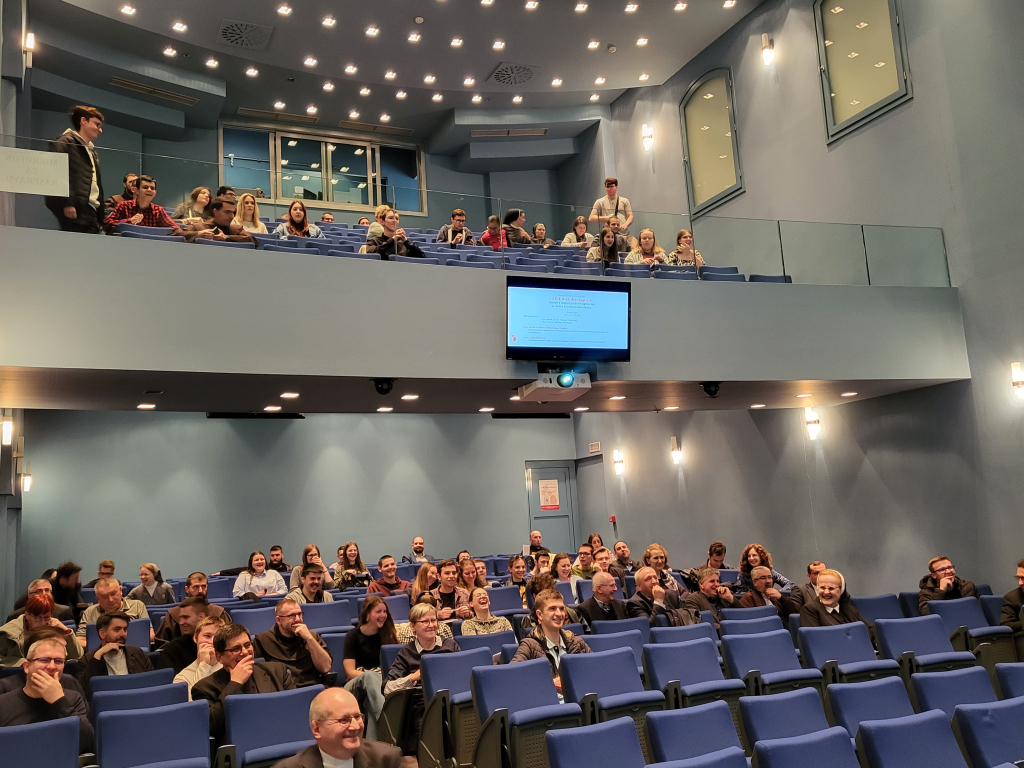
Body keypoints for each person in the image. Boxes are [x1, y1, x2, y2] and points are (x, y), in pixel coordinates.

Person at [191, 623, 296, 739]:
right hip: (240, 743)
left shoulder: (277, 671)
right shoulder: (204, 688)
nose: (245, 652)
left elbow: (295, 709)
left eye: (247, 645)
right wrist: (235, 683)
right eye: (236, 649)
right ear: (219, 657)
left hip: (281, 736)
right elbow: (212, 727)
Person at [384, 603, 461, 754]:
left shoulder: (450, 645)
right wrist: (413, 677)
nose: (431, 625)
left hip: (453, 698)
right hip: (424, 703)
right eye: (425, 621)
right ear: (413, 626)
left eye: (433, 620)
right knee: (429, 724)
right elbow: (387, 688)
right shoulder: (406, 653)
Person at [0, 635, 93, 753]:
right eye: (44, 660)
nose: (52, 667)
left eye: (58, 661)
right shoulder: (3, 703)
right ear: (27, 667)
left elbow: (86, 742)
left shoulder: (73, 698)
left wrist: (59, 701)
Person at [273, 686, 403, 768]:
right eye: (343, 720)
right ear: (317, 729)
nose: (355, 726)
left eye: (357, 717)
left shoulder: (386, 759)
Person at [511, 589, 590, 693]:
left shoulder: (576, 640)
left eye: (562, 608)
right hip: (547, 700)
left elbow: (594, 668)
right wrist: (549, 684)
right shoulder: (529, 645)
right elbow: (512, 676)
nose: (559, 614)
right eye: (552, 609)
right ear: (540, 615)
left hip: (580, 697)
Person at [342, 596, 398, 740]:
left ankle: (375, 746)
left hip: (378, 685)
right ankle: (387, 720)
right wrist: (371, 674)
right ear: (367, 614)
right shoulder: (353, 636)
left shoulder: (388, 634)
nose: (383, 615)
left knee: (370, 702)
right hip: (354, 685)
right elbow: (349, 672)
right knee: (370, 676)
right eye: (378, 612)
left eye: (384, 612)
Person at [45, 105, 105, 234]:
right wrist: (68, 203)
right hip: (76, 209)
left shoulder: (91, 150)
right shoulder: (64, 142)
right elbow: (55, 174)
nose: (100, 130)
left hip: (91, 210)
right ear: (83, 121)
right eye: (97, 124)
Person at [254, 598, 333, 687]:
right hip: (282, 691)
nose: (298, 619)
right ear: (279, 620)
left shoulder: (312, 636)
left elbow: (325, 668)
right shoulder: (263, 640)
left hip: (313, 688)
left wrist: (309, 639)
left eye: (299, 614)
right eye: (292, 616)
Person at [77, 612, 154, 697]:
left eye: (125, 629)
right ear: (102, 633)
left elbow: (152, 683)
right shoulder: (87, 660)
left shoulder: (137, 653)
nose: (123, 634)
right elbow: (82, 693)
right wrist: (98, 656)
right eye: (117, 630)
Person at [0, 594, 83, 666]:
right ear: (27, 615)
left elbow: (77, 656)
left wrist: (65, 631)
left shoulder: (53, 627)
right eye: (37, 618)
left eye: (46, 617)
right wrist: (22, 662)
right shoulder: (9, 633)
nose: (42, 622)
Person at [154, 572, 226, 646]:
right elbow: (161, 643)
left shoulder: (219, 612)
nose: (200, 590)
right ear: (187, 589)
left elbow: (229, 639)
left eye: (203, 586)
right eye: (196, 587)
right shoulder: (173, 614)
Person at [76, 578, 151, 646]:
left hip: (133, 652)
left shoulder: (137, 606)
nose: (110, 600)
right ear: (98, 599)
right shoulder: (90, 612)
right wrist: (106, 647)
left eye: (113, 594)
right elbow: (79, 640)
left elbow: (150, 634)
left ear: (120, 590)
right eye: (105, 597)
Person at [173, 614, 226, 700]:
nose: (212, 641)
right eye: (207, 636)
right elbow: (193, 704)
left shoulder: (231, 667)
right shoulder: (182, 678)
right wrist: (204, 665)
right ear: (195, 638)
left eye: (217, 637)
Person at [154, 596, 211, 674]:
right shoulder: (174, 649)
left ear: (202, 617)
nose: (181, 622)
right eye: (180, 618)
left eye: (186, 617)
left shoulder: (220, 645)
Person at [104, 175, 179, 232]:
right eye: (145, 187)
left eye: (152, 188)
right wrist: (129, 221)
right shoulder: (123, 206)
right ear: (136, 190)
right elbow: (107, 224)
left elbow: (174, 227)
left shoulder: (158, 210)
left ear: (155, 192)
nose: (149, 190)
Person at [171, 196, 257, 245]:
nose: (232, 216)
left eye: (233, 212)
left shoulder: (236, 229)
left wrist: (226, 237)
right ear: (215, 212)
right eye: (227, 212)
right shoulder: (199, 227)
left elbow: (252, 240)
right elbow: (177, 235)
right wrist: (198, 234)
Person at [799, 569, 868, 628]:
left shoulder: (849, 609)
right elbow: (815, 637)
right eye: (822, 587)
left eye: (831, 588)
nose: (826, 592)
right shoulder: (809, 610)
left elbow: (868, 629)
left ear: (841, 590)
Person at [589, 177, 634, 246]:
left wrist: (625, 224)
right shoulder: (600, 202)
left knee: (635, 246)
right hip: (608, 233)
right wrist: (606, 218)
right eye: (607, 187)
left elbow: (630, 216)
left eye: (612, 186)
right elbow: (591, 218)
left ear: (616, 187)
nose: (609, 189)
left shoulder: (624, 201)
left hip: (623, 233)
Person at [6, 579, 74, 623]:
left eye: (47, 590)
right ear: (29, 596)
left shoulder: (64, 612)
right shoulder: (15, 616)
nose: (44, 594)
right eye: (39, 591)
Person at [999, 559, 1024, 632]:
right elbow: (1006, 624)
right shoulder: (1012, 598)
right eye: (1018, 578)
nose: (1020, 583)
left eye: (1023, 578)